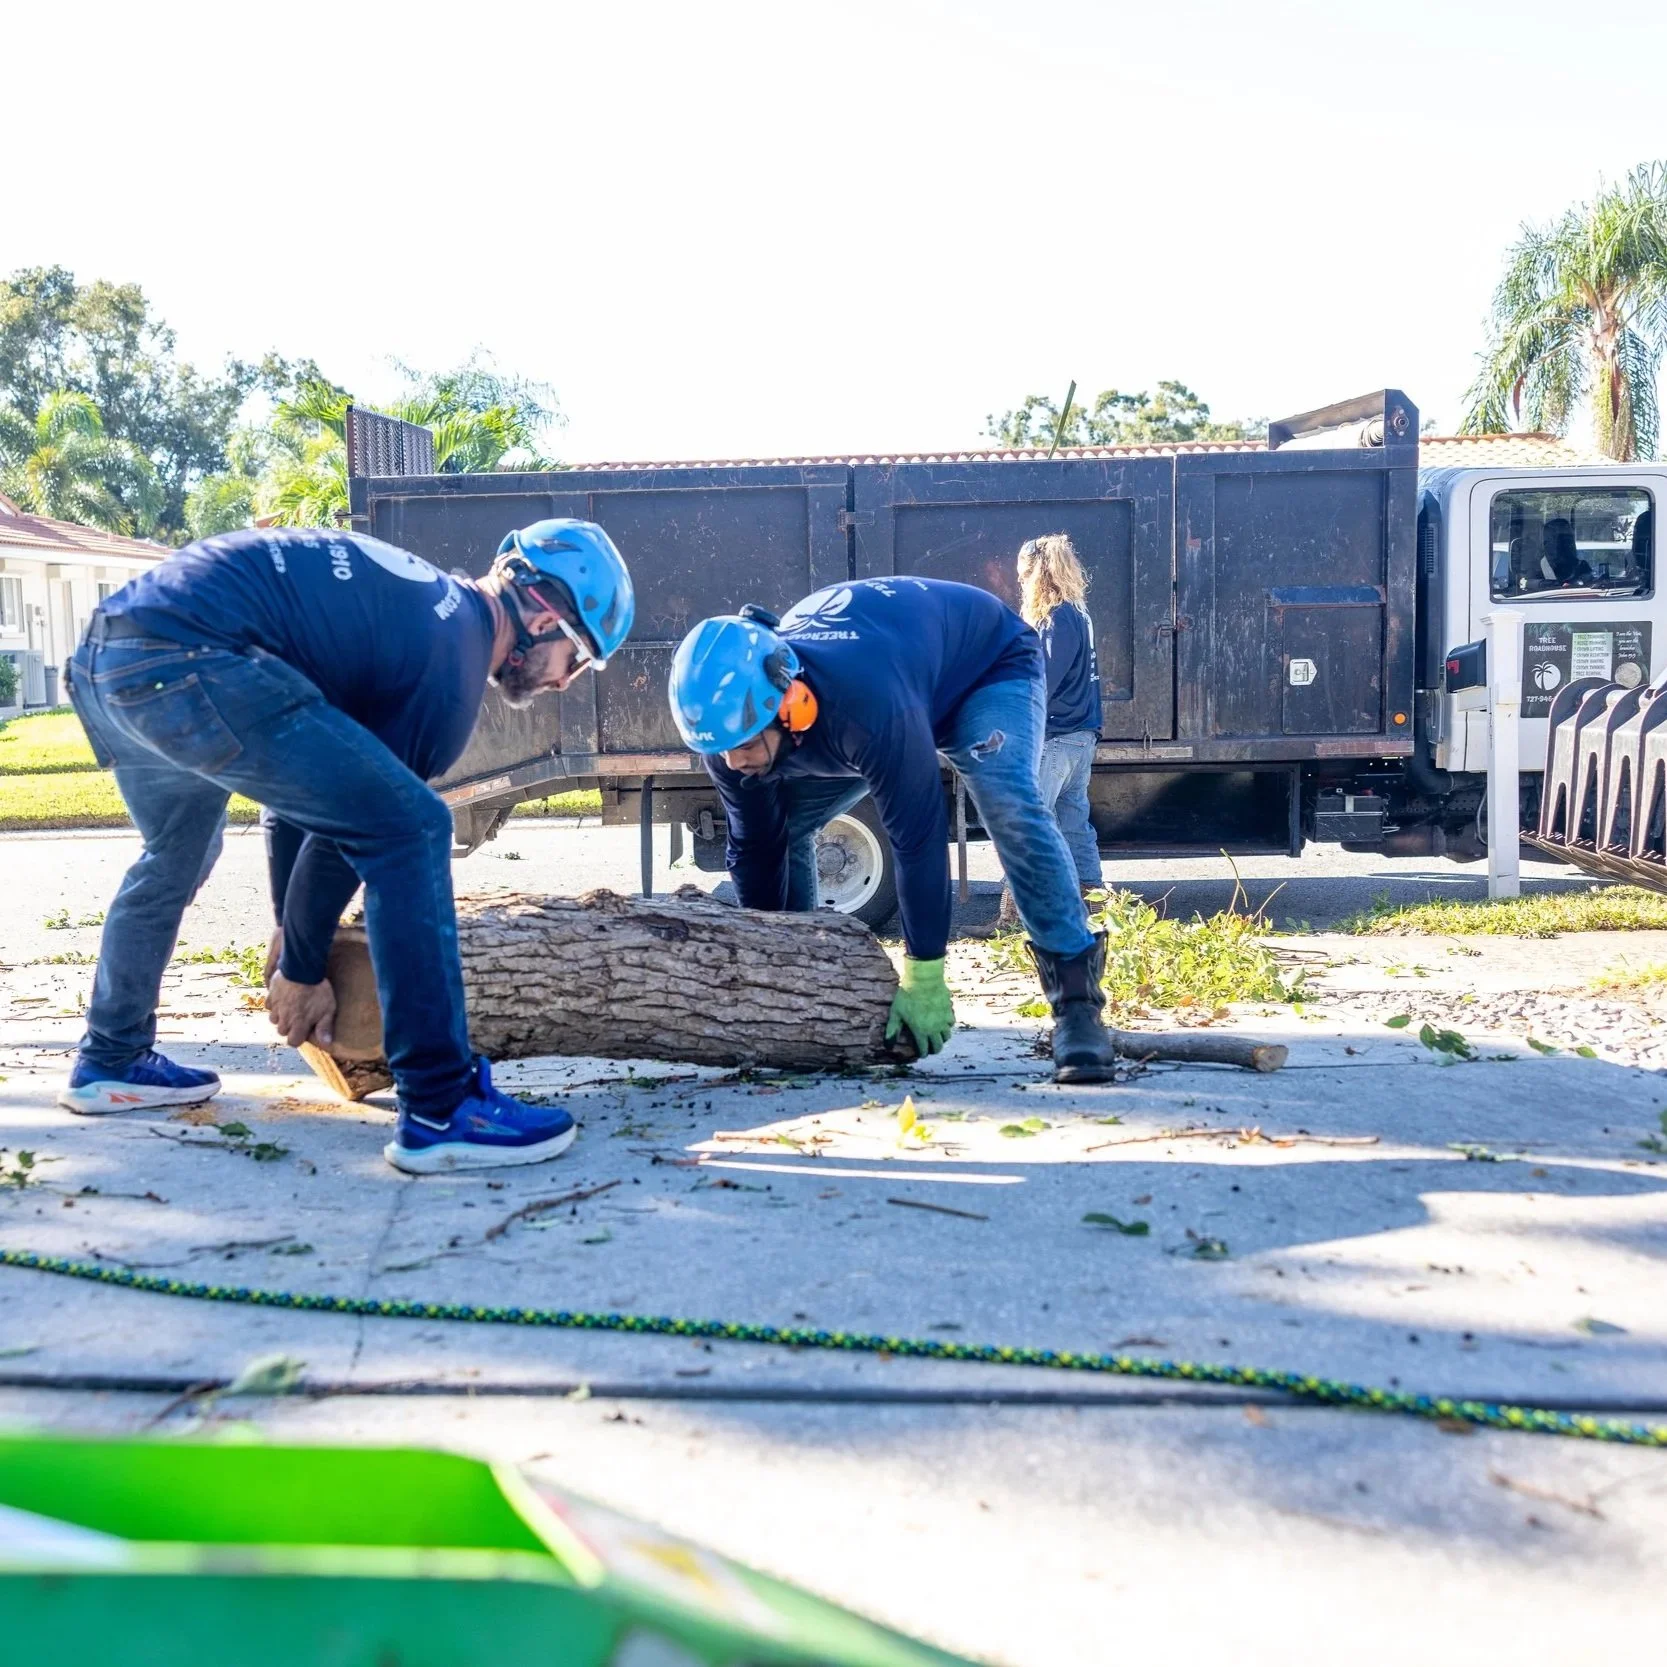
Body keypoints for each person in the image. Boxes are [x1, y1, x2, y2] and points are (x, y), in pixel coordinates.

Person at [59, 519, 634, 1174]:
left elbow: (307, 802)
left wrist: (293, 933)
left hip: (111, 656)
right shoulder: (448, 671)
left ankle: (111, 1055)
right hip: (189, 659)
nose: (564, 681)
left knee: (177, 850)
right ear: (542, 617)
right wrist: (300, 970)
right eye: (576, 655)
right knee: (415, 825)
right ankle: (442, 1105)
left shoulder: (427, 612)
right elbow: (360, 832)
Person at [668, 577, 1120, 1081]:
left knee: (1007, 800)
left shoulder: (867, 705)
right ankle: (800, 981)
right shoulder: (730, 733)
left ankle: (1078, 1008)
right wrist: (768, 970)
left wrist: (924, 971)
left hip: (985, 667)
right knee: (782, 824)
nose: (734, 760)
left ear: (789, 702)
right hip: (900, 672)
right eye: (721, 748)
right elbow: (754, 849)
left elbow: (917, 838)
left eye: (746, 743)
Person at [1016, 534, 1103, 896]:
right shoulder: (1078, 613)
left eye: (1023, 573)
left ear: (1040, 571)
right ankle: (1094, 902)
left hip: (1056, 739)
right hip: (1081, 734)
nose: (1020, 580)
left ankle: (1014, 914)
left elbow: (1043, 683)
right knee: (1073, 823)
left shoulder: (1057, 618)